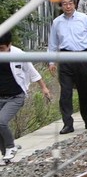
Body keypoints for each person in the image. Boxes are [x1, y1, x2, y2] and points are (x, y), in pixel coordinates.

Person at [47, 0, 87, 134]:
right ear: (61, 6)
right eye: (65, 4)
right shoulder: (57, 22)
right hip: (65, 58)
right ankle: (67, 123)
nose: (68, 6)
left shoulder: (84, 19)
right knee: (65, 92)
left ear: (75, 4)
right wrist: (51, 61)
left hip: (82, 57)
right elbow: (53, 44)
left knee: (85, 90)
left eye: (70, 3)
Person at [0, 31, 51, 164]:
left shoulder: (19, 54)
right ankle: (5, 155)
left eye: (2, 49)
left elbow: (32, 72)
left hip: (16, 96)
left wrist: (44, 88)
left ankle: (11, 147)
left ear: (9, 45)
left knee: (1, 121)